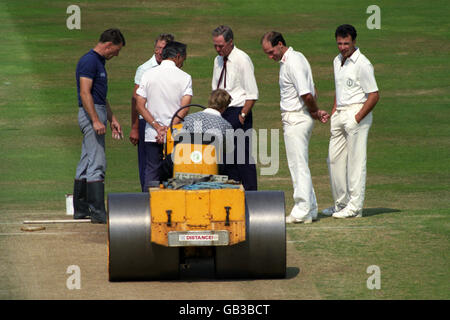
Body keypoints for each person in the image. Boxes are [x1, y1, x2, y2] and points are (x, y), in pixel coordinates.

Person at [261, 31, 330, 224]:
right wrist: (314, 111)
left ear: (280, 44)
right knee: (300, 164)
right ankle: (311, 208)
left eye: (271, 51)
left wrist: (315, 112)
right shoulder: (295, 59)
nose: (270, 56)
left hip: (296, 120)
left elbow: (308, 94)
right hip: (297, 118)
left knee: (297, 165)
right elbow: (313, 90)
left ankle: (301, 210)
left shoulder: (293, 62)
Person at [322, 24, 379, 219]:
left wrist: (357, 117)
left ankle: (355, 208)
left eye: (346, 43)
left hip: (356, 112)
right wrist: (334, 112)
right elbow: (339, 90)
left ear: (354, 42)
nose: (343, 47)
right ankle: (341, 204)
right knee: (334, 160)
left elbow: (374, 95)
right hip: (340, 113)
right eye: (339, 43)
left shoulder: (363, 63)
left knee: (355, 162)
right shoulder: (336, 61)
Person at [73, 28, 125, 224]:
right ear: (108, 45)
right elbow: (85, 93)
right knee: (97, 161)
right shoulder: (89, 61)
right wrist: (95, 119)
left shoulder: (98, 62)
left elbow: (100, 96)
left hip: (98, 110)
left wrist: (112, 119)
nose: (117, 54)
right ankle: (97, 211)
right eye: (116, 50)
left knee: (87, 159)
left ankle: (81, 208)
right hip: (91, 113)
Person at [135, 41, 193, 189]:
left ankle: (149, 207)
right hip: (175, 134)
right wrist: (168, 129)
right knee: (176, 174)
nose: (183, 63)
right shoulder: (185, 77)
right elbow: (184, 108)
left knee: (152, 172)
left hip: (152, 133)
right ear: (178, 56)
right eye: (183, 60)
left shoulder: (148, 74)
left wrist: (157, 126)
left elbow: (139, 105)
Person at [211, 25, 259, 190]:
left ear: (230, 42)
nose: (218, 49)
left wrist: (242, 116)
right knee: (225, 158)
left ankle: (252, 196)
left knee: (243, 157)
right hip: (221, 113)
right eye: (215, 46)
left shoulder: (242, 59)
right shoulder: (217, 60)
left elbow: (252, 93)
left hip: (238, 111)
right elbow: (215, 89)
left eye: (221, 46)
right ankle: (231, 196)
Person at [129, 33, 174, 192]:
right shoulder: (144, 69)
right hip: (146, 122)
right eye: (158, 48)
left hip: (169, 123)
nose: (160, 52)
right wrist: (135, 128)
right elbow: (136, 100)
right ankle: (146, 198)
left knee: (169, 163)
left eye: (163, 49)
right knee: (148, 164)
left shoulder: (173, 69)